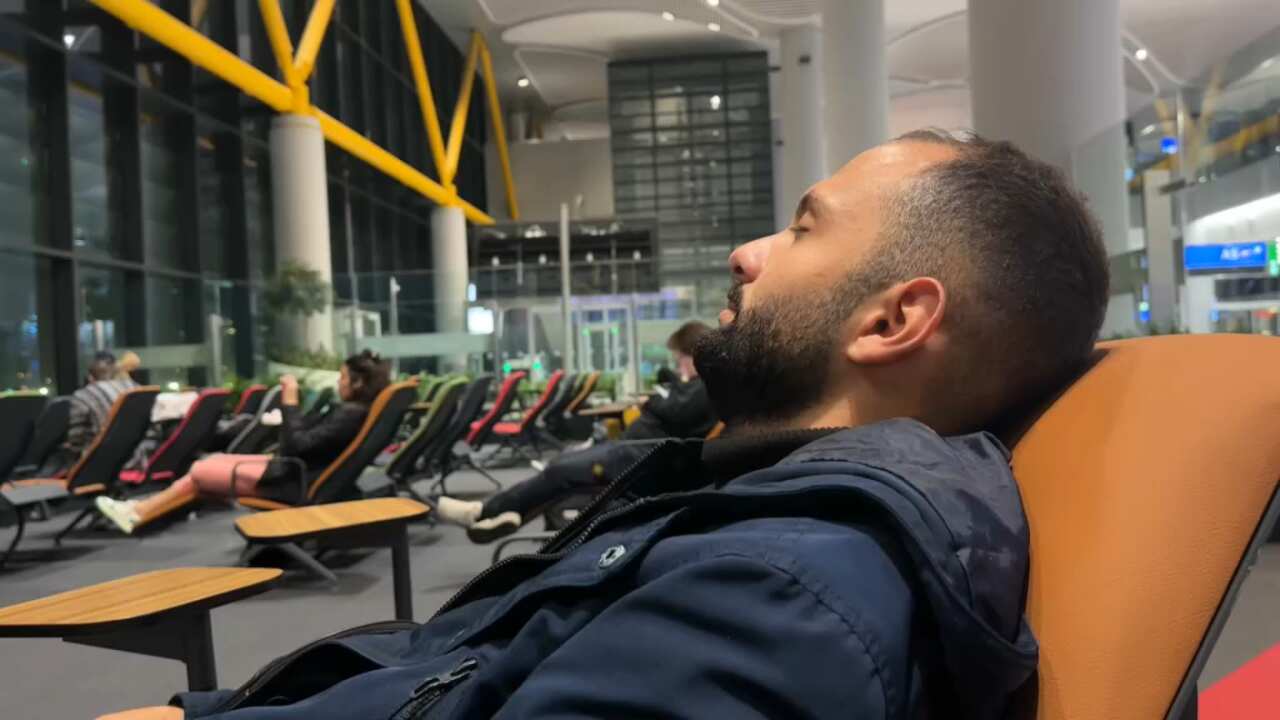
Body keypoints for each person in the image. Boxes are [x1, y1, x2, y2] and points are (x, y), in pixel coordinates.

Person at [99, 131, 1109, 720]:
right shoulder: (749, 517)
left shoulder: (772, 598)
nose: (749, 253)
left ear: (893, 320)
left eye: (802, 227)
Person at [433, 321, 718, 542]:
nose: (678, 364)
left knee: (561, 471)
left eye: (680, 357)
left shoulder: (707, 384)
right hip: (637, 449)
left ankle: (487, 512)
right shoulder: (700, 385)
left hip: (644, 455)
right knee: (562, 465)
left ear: (693, 353)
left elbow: (673, 408)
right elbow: (673, 402)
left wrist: (662, 396)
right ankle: (503, 510)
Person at [95, 351, 390, 534]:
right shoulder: (355, 412)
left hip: (292, 479)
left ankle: (137, 510)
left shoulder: (350, 415)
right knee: (204, 471)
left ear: (358, 383)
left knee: (200, 471)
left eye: (342, 377)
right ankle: (138, 511)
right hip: (294, 470)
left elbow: (296, 445)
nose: (338, 383)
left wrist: (290, 401)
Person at [41, 353, 139, 476]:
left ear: (90, 377)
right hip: (139, 460)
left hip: (103, 466)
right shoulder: (136, 388)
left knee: (55, 457)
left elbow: (76, 440)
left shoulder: (83, 395)